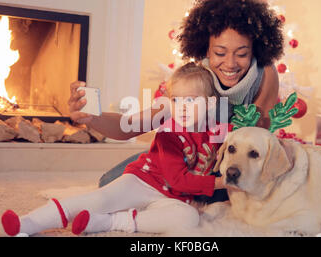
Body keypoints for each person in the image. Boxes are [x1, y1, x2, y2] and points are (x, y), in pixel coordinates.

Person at [68, 0, 284, 202]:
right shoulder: (195, 79)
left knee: (252, 194)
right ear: (206, 50)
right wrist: (93, 118)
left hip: (226, 163)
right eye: (220, 52)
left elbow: (260, 139)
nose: (230, 63)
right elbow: (129, 126)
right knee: (109, 182)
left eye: (242, 54)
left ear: (254, 50)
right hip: (187, 156)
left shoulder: (264, 75)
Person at [0, 63, 228, 236]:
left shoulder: (217, 131)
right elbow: (177, 179)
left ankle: (111, 222)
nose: (182, 108)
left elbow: (237, 138)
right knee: (100, 199)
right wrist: (219, 183)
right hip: (144, 181)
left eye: (191, 100)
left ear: (210, 104)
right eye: (177, 101)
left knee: (187, 219)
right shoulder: (169, 132)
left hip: (173, 197)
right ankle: (27, 223)